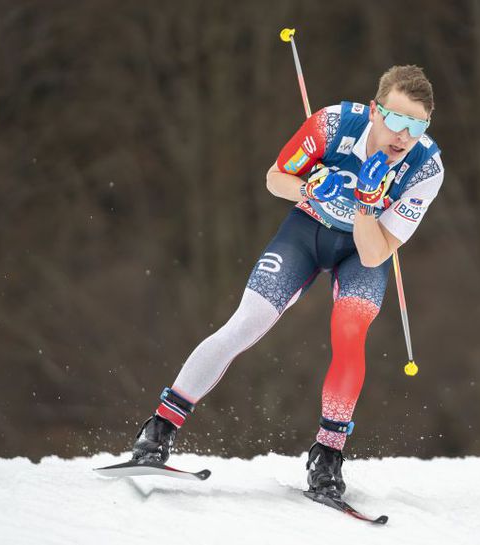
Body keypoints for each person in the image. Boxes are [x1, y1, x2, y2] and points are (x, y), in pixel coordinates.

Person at [130, 65, 444, 499]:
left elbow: (375, 253)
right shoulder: (332, 124)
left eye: (417, 125)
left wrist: (367, 206)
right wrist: (313, 188)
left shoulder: (426, 169)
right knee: (247, 321)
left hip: (360, 250)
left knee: (351, 333)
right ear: (374, 111)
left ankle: (327, 457)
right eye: (395, 120)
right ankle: (160, 428)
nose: (402, 136)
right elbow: (275, 178)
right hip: (307, 232)